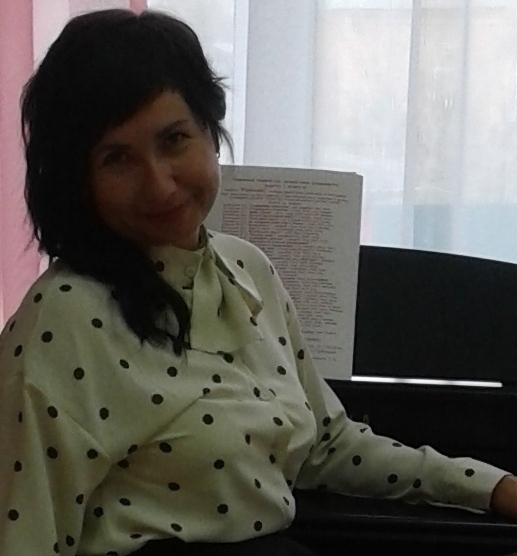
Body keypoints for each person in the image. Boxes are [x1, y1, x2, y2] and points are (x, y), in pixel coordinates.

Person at [0, 8, 516, 556]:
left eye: (174, 140)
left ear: (211, 131)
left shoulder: (246, 269)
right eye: (117, 158)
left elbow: (324, 446)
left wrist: (490, 487)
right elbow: (23, 538)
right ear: (78, 179)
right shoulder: (63, 321)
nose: (159, 185)